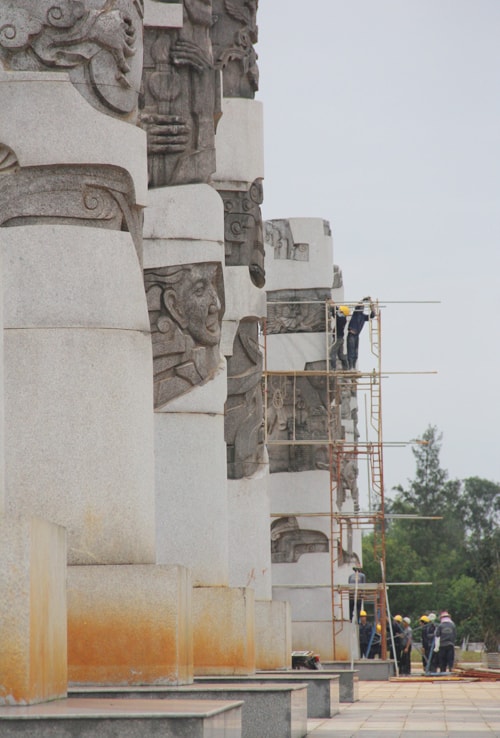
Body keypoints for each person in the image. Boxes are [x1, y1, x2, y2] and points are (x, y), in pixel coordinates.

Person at [346, 296, 376, 370]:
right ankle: (351, 367)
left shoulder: (363, 316)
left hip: (356, 336)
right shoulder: (356, 313)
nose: (362, 308)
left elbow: (372, 315)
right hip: (351, 334)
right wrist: (363, 300)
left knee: (355, 353)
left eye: (363, 307)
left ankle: (353, 367)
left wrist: (371, 304)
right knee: (351, 352)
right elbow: (358, 305)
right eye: (361, 307)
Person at [328, 300, 349, 370]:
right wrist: (333, 305)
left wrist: (332, 305)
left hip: (338, 338)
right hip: (340, 338)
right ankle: (346, 368)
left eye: (340, 310)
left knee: (332, 353)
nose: (339, 310)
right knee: (341, 355)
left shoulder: (340, 318)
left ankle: (333, 368)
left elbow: (335, 313)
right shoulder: (343, 318)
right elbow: (336, 312)